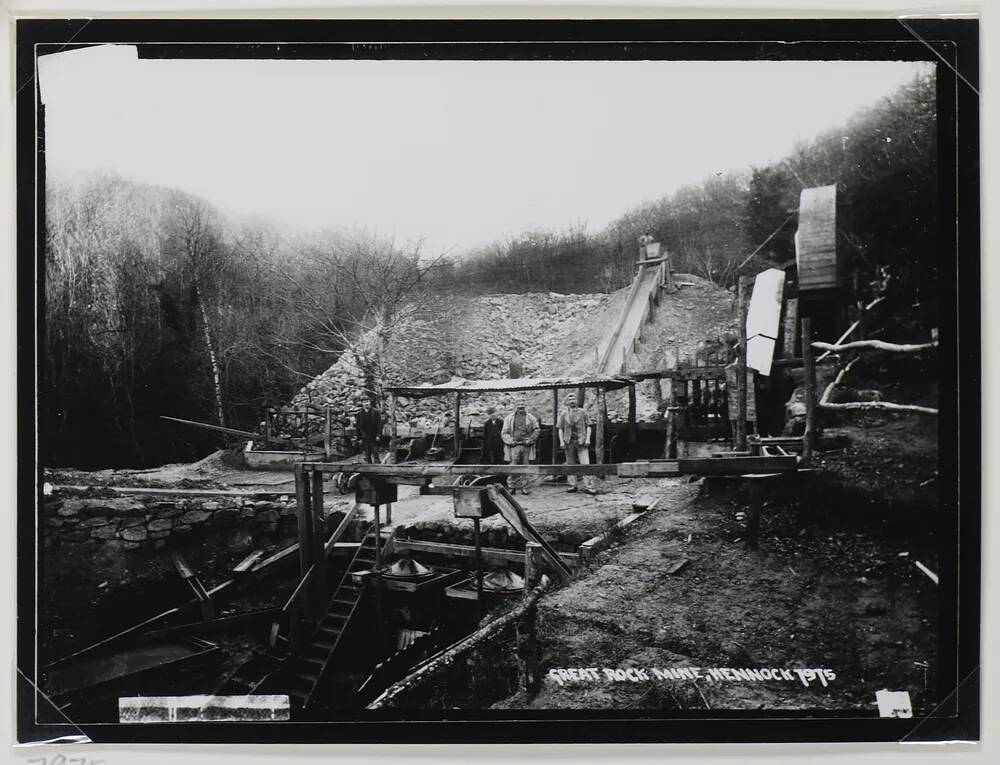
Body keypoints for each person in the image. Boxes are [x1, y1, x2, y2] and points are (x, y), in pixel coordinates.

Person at [557, 396, 596, 495]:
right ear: (567, 402)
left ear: (577, 401)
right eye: (570, 400)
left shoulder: (583, 412)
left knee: (585, 464)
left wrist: (587, 439)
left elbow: (589, 426)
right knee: (570, 464)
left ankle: (589, 486)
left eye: (573, 399)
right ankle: (572, 485)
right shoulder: (563, 414)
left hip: (581, 441)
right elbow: (560, 428)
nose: (572, 401)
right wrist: (561, 441)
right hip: (569, 442)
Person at [501, 400, 539, 495]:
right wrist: (510, 441)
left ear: (525, 406)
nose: (521, 406)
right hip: (514, 446)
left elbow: (536, 430)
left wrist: (530, 440)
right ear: (515, 406)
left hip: (526, 446)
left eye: (522, 404)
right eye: (519, 404)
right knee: (513, 466)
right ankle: (512, 486)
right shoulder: (509, 418)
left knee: (525, 466)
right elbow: (504, 432)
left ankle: (524, 487)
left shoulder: (531, 418)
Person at [354, 398, 382, 463]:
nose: (366, 403)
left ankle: (378, 467)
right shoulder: (359, 413)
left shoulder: (376, 412)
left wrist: (378, 435)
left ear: (370, 402)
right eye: (364, 402)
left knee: (375, 451)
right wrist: (359, 438)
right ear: (362, 403)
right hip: (364, 436)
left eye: (367, 401)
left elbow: (379, 425)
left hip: (373, 435)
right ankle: (369, 467)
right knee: (367, 452)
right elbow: (358, 426)